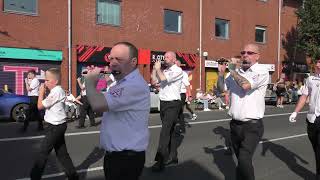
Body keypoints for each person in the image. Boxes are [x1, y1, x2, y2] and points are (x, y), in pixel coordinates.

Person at [84, 42, 150, 180]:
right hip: (118, 156)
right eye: (111, 58)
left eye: (119, 59)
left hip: (125, 159)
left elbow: (98, 105)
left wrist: (89, 82)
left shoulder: (134, 85)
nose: (113, 63)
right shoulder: (122, 83)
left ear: (133, 62)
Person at [217, 43, 269, 180]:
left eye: (250, 53)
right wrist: (221, 73)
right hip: (235, 124)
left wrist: (232, 70)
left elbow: (246, 85)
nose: (245, 55)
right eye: (243, 52)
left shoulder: (261, 71)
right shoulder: (236, 72)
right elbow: (221, 88)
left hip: (252, 125)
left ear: (257, 56)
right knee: (241, 160)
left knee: (245, 159)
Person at [30, 68, 78, 180]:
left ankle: (34, 177)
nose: (44, 82)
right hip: (57, 125)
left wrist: (40, 93)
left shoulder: (56, 91)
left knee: (43, 153)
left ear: (55, 81)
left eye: (47, 80)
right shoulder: (56, 91)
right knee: (62, 154)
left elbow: (40, 106)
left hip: (55, 127)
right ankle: (73, 176)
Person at [151, 51, 183, 172]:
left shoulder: (177, 70)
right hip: (163, 103)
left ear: (174, 59)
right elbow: (155, 82)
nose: (165, 58)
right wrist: (154, 70)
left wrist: (158, 70)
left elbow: (164, 78)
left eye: (168, 57)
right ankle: (173, 157)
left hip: (172, 104)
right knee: (171, 131)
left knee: (165, 132)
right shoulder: (164, 71)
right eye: (164, 57)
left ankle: (160, 161)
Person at [289, 58, 320, 180]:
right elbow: (304, 96)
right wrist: (295, 112)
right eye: (317, 62)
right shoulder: (310, 79)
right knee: (316, 148)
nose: (317, 64)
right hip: (312, 119)